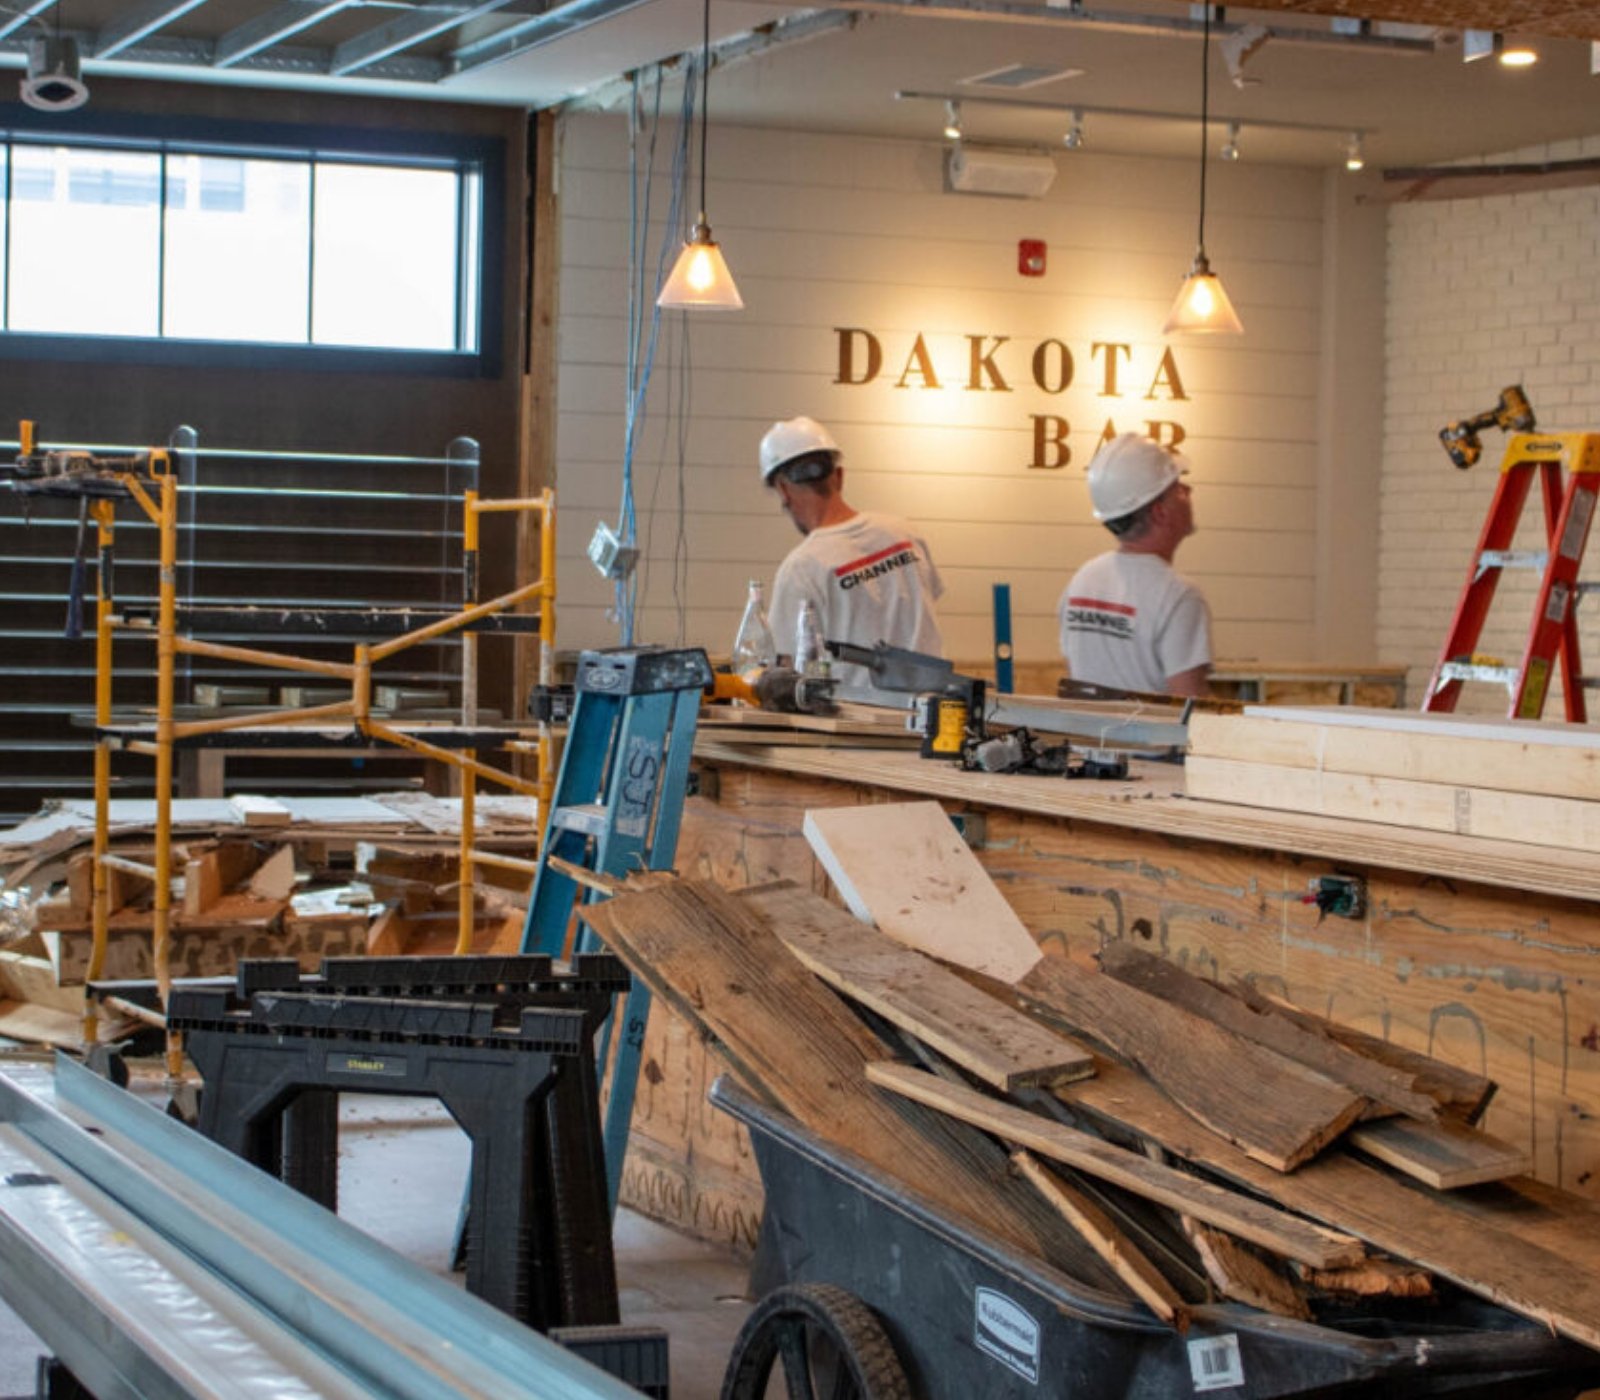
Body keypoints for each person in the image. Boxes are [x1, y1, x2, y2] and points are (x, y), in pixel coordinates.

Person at [759, 416, 944, 694]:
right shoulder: (905, 534)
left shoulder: (800, 568)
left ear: (784, 490)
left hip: (859, 728)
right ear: (839, 476)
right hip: (934, 720)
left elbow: (786, 671)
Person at [1057, 432, 1212, 698]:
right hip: (1149, 740)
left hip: (1085, 740)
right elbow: (1193, 709)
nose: (1188, 491)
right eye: (1178, 487)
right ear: (1160, 512)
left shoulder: (1084, 580)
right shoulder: (1179, 595)